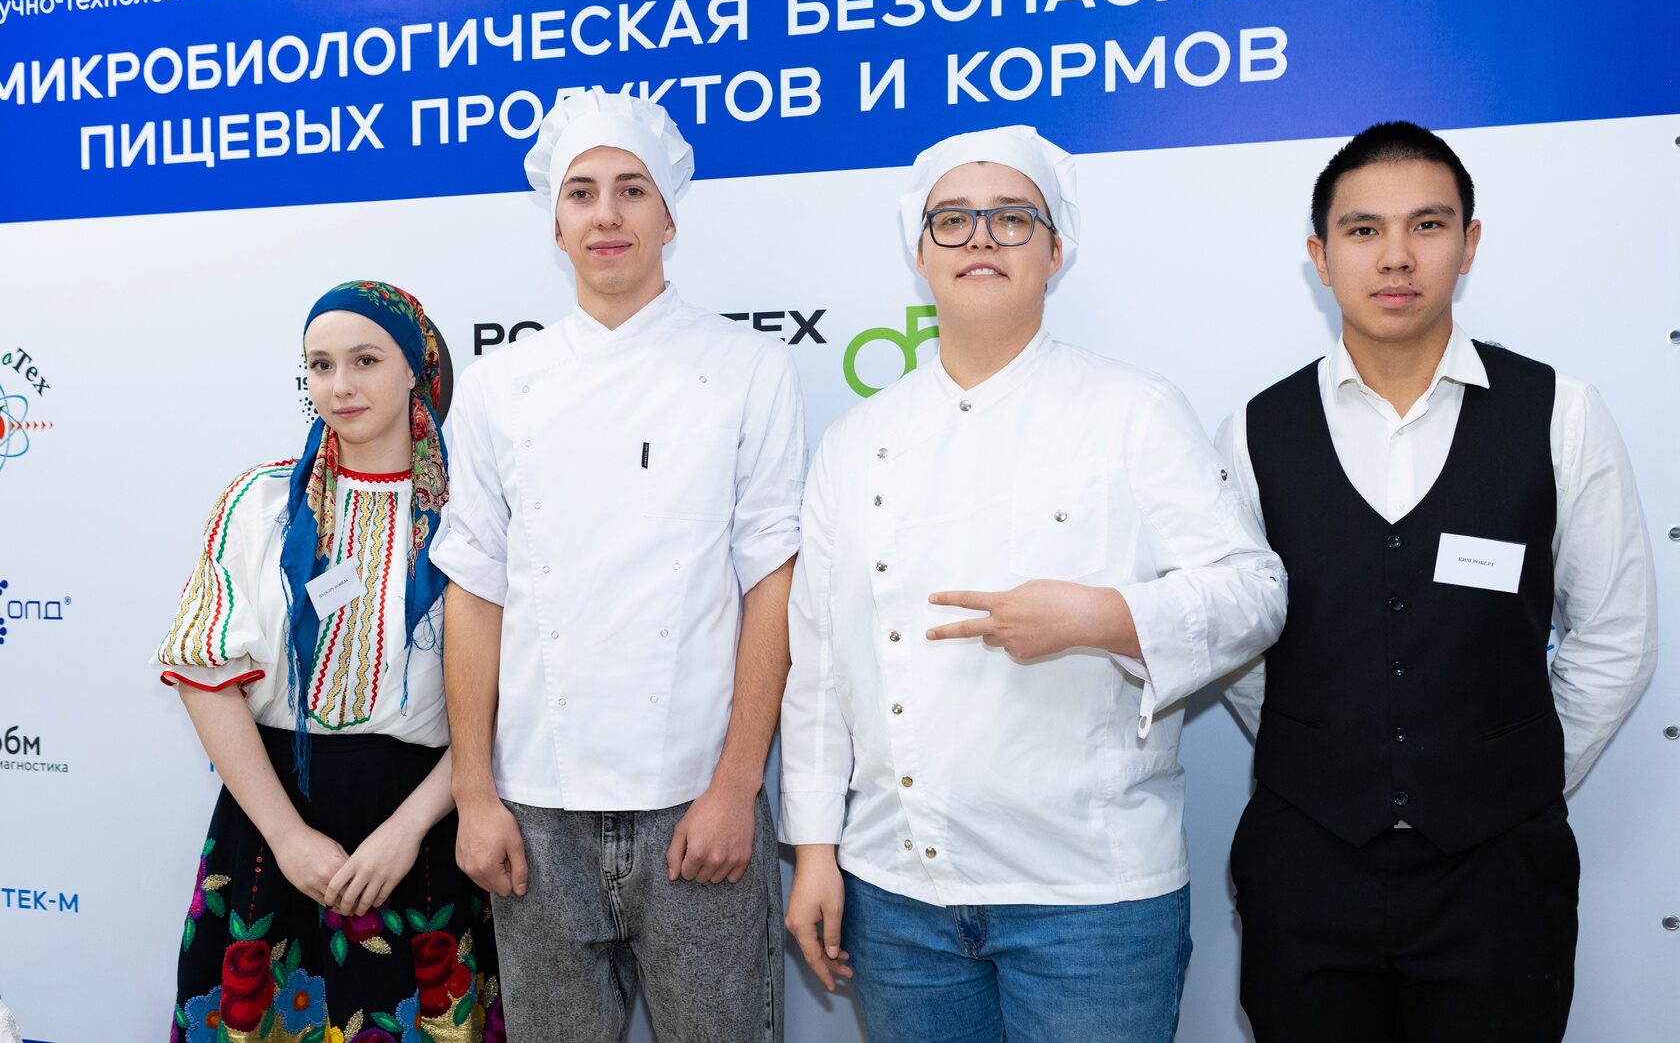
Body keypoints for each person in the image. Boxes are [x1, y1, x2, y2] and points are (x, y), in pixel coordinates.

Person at [780, 125, 1287, 1043]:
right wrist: (816, 848)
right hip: (898, 894)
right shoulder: (855, 444)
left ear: (1055, 252)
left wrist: (1106, 615)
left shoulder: (1133, 410)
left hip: (1089, 900)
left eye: (1013, 217)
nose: (981, 237)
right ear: (921, 253)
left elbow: (1255, 591)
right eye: (953, 219)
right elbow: (818, 668)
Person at [1220, 120, 1658, 1042]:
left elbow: (1615, 637)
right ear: (1320, 255)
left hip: (1499, 880)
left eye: (1427, 225)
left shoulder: (1562, 414)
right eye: (1363, 229)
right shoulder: (1254, 431)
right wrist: (1338, 760)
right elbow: (1239, 643)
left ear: (1470, 242)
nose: (1396, 256)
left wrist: (1510, 778)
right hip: (1307, 872)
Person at [432, 88, 804, 1041]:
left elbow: (773, 587)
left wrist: (737, 785)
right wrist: (474, 792)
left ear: (670, 216)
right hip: (534, 809)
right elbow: (475, 595)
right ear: (555, 224)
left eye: (632, 190)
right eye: (582, 192)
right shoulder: (499, 387)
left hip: (696, 800)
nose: (607, 214)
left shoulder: (748, 370)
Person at [156, 281, 501, 1042]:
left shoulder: (472, 513)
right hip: (271, 823)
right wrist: (287, 837)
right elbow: (205, 675)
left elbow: (506, 702)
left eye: (365, 360)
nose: (339, 385)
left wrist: (407, 830)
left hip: (426, 826)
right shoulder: (260, 502)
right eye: (320, 365)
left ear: (416, 369)